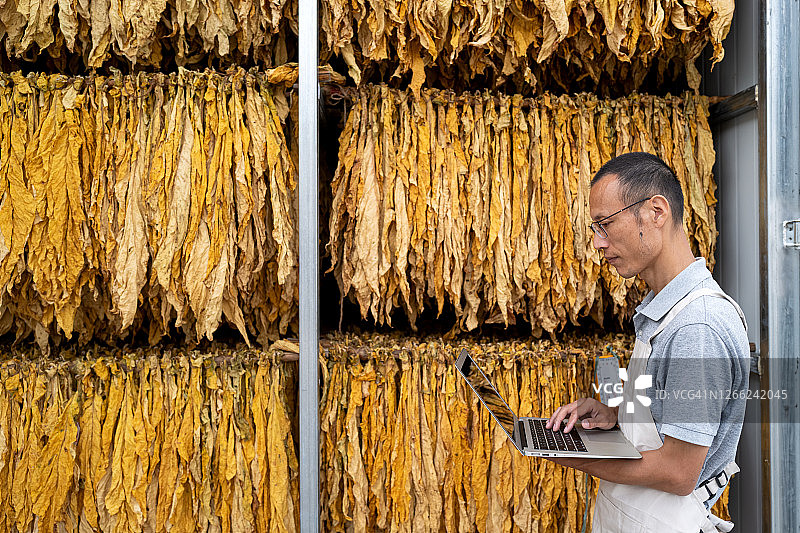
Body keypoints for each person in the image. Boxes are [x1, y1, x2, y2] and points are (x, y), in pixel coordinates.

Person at [544, 152, 750, 533]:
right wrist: (615, 414)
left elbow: (677, 472)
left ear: (656, 211)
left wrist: (567, 454)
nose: (597, 242)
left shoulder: (696, 327)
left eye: (604, 224)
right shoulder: (661, 309)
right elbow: (661, 416)